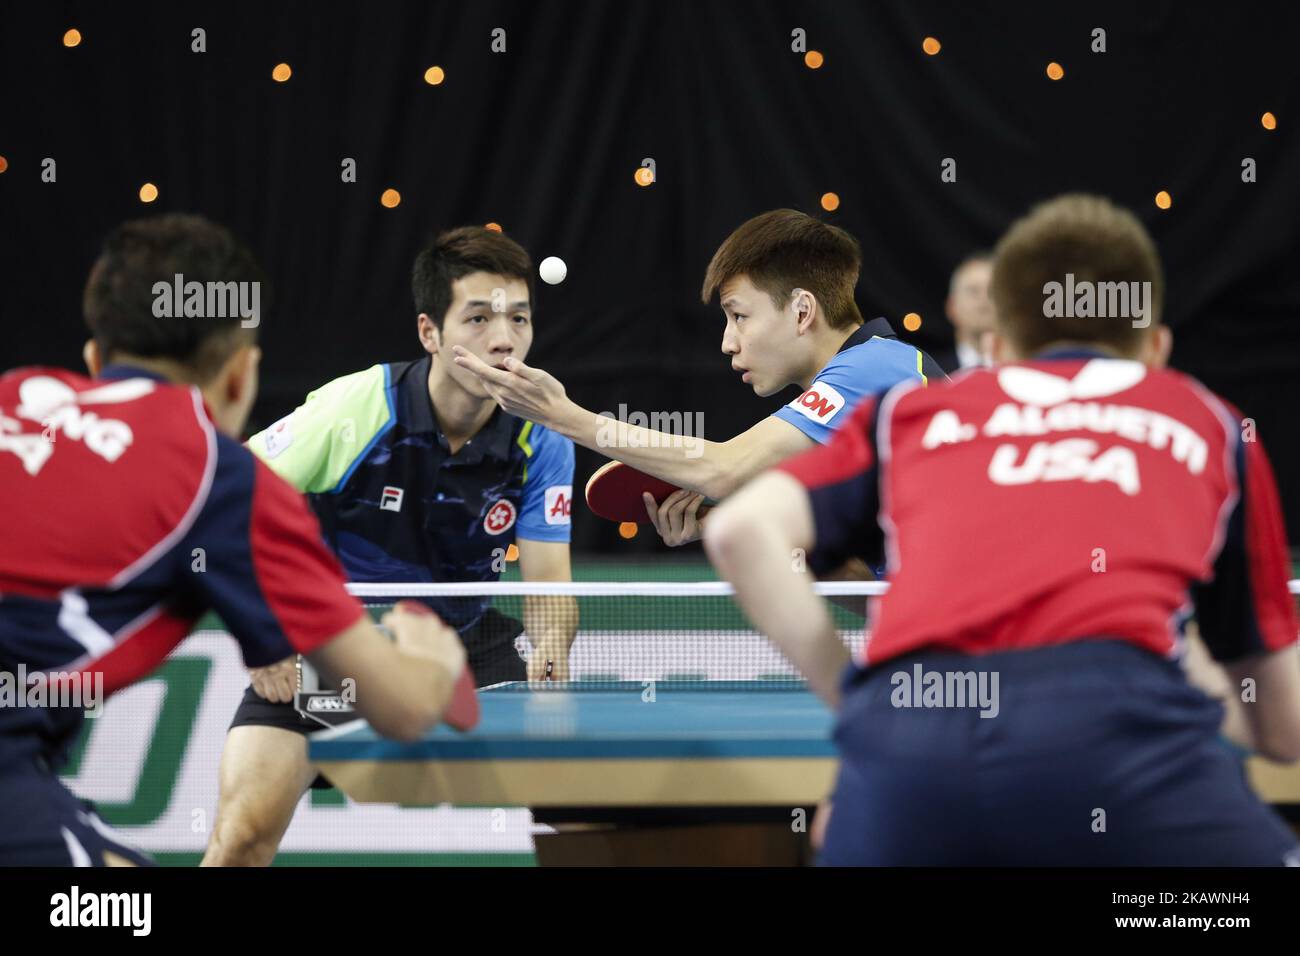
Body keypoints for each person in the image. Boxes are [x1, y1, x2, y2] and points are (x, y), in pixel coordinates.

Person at [704, 193, 1300, 865]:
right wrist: (1195, 684)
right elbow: (1285, 731)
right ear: (1156, 347)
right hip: (1117, 741)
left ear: (996, 346)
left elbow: (739, 531)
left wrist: (861, 714)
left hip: (909, 746)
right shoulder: (1208, 421)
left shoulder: (911, 416)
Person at [0, 214, 467, 866]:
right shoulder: (222, 481)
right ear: (242, 378)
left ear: (94, 359)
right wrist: (433, 660)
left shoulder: (17, 391)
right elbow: (400, 707)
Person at [203, 225, 577, 866]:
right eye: (480, 317)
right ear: (430, 332)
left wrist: (551, 644)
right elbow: (221, 499)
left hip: (469, 649)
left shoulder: (542, 439)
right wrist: (265, 630)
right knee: (242, 835)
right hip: (335, 645)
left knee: (584, 809)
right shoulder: (355, 409)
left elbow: (548, 589)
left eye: (520, 318)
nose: (505, 339)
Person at [454, 209, 945, 548]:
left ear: (801, 311)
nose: (728, 343)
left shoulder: (875, 369)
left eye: (739, 316)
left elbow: (723, 469)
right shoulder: (861, 405)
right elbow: (865, 579)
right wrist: (714, 524)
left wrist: (562, 416)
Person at [942, 252, 995, 370]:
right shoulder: (929, 375)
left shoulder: (1025, 373)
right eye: (973, 291)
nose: (984, 299)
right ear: (951, 307)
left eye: (992, 291)